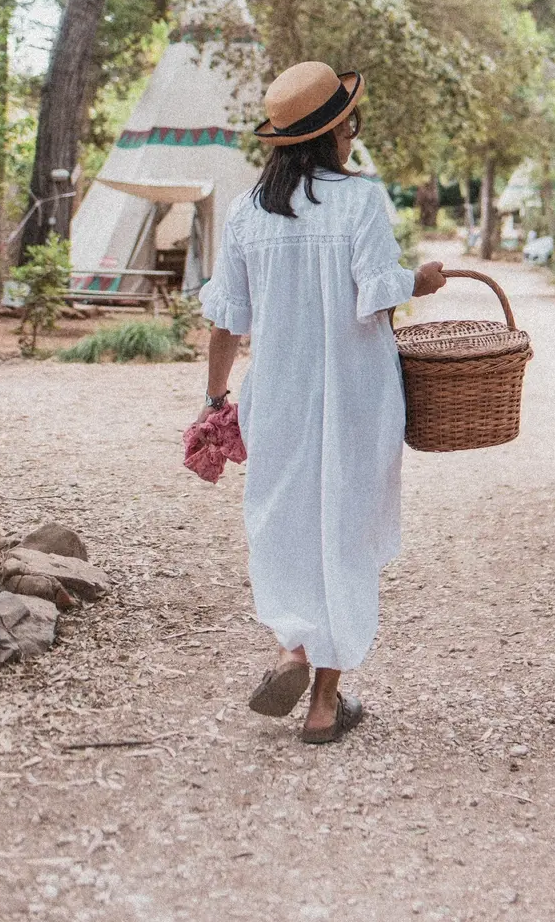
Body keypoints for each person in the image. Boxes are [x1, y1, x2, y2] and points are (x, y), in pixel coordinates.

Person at [196, 61, 446, 743]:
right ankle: (326, 704)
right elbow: (374, 290)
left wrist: (216, 396)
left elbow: (226, 319)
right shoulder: (360, 200)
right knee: (345, 527)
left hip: (275, 394)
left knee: (285, 522)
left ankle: (292, 645)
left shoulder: (250, 211)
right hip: (356, 395)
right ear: (342, 128)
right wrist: (417, 279)